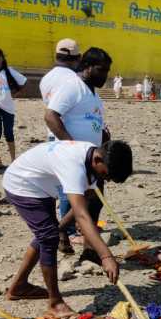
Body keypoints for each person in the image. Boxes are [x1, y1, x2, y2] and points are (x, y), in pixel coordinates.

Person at [2, 140, 132, 319]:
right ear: (98, 160)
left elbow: (86, 197)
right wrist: (106, 256)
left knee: (48, 234)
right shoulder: (74, 166)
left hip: (41, 185)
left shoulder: (91, 157)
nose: (105, 180)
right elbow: (81, 215)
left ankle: (18, 287)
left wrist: (60, 228)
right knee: (48, 238)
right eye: (106, 175)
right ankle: (55, 304)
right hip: (22, 184)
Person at [44, 47, 112, 260]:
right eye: (102, 70)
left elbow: (90, 121)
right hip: (75, 157)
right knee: (83, 202)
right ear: (88, 67)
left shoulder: (92, 92)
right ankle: (62, 234)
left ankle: (85, 247)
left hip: (92, 157)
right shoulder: (72, 86)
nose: (105, 75)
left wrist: (103, 136)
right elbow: (51, 116)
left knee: (95, 200)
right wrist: (70, 145)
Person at [40, 39, 81, 140]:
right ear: (78, 58)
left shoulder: (45, 78)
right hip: (70, 137)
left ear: (57, 56)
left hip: (52, 134)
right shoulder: (75, 79)